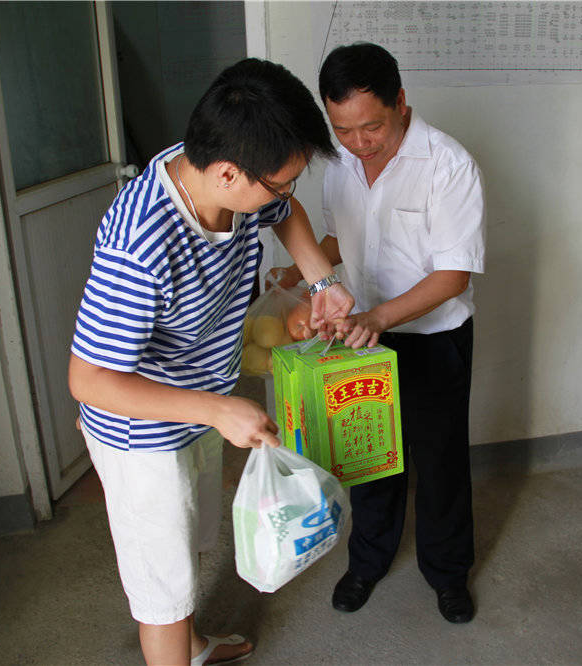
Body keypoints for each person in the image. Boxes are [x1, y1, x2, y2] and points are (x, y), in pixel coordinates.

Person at [68, 58, 353, 666]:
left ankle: (193, 646)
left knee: (188, 545)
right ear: (229, 173)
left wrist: (321, 281)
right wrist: (217, 408)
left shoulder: (226, 169)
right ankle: (177, 645)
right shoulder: (139, 244)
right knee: (161, 591)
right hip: (140, 433)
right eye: (280, 183)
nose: (285, 195)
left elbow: (287, 214)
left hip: (201, 406)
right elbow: (89, 379)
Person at [269, 42, 485, 623]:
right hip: (360, 337)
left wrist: (379, 318)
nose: (359, 143)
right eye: (343, 130)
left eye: (372, 127)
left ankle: (447, 574)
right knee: (368, 458)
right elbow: (343, 238)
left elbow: (453, 274)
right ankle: (366, 562)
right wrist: (299, 271)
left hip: (434, 337)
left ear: (401, 104)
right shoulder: (336, 162)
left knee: (439, 464)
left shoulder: (447, 163)